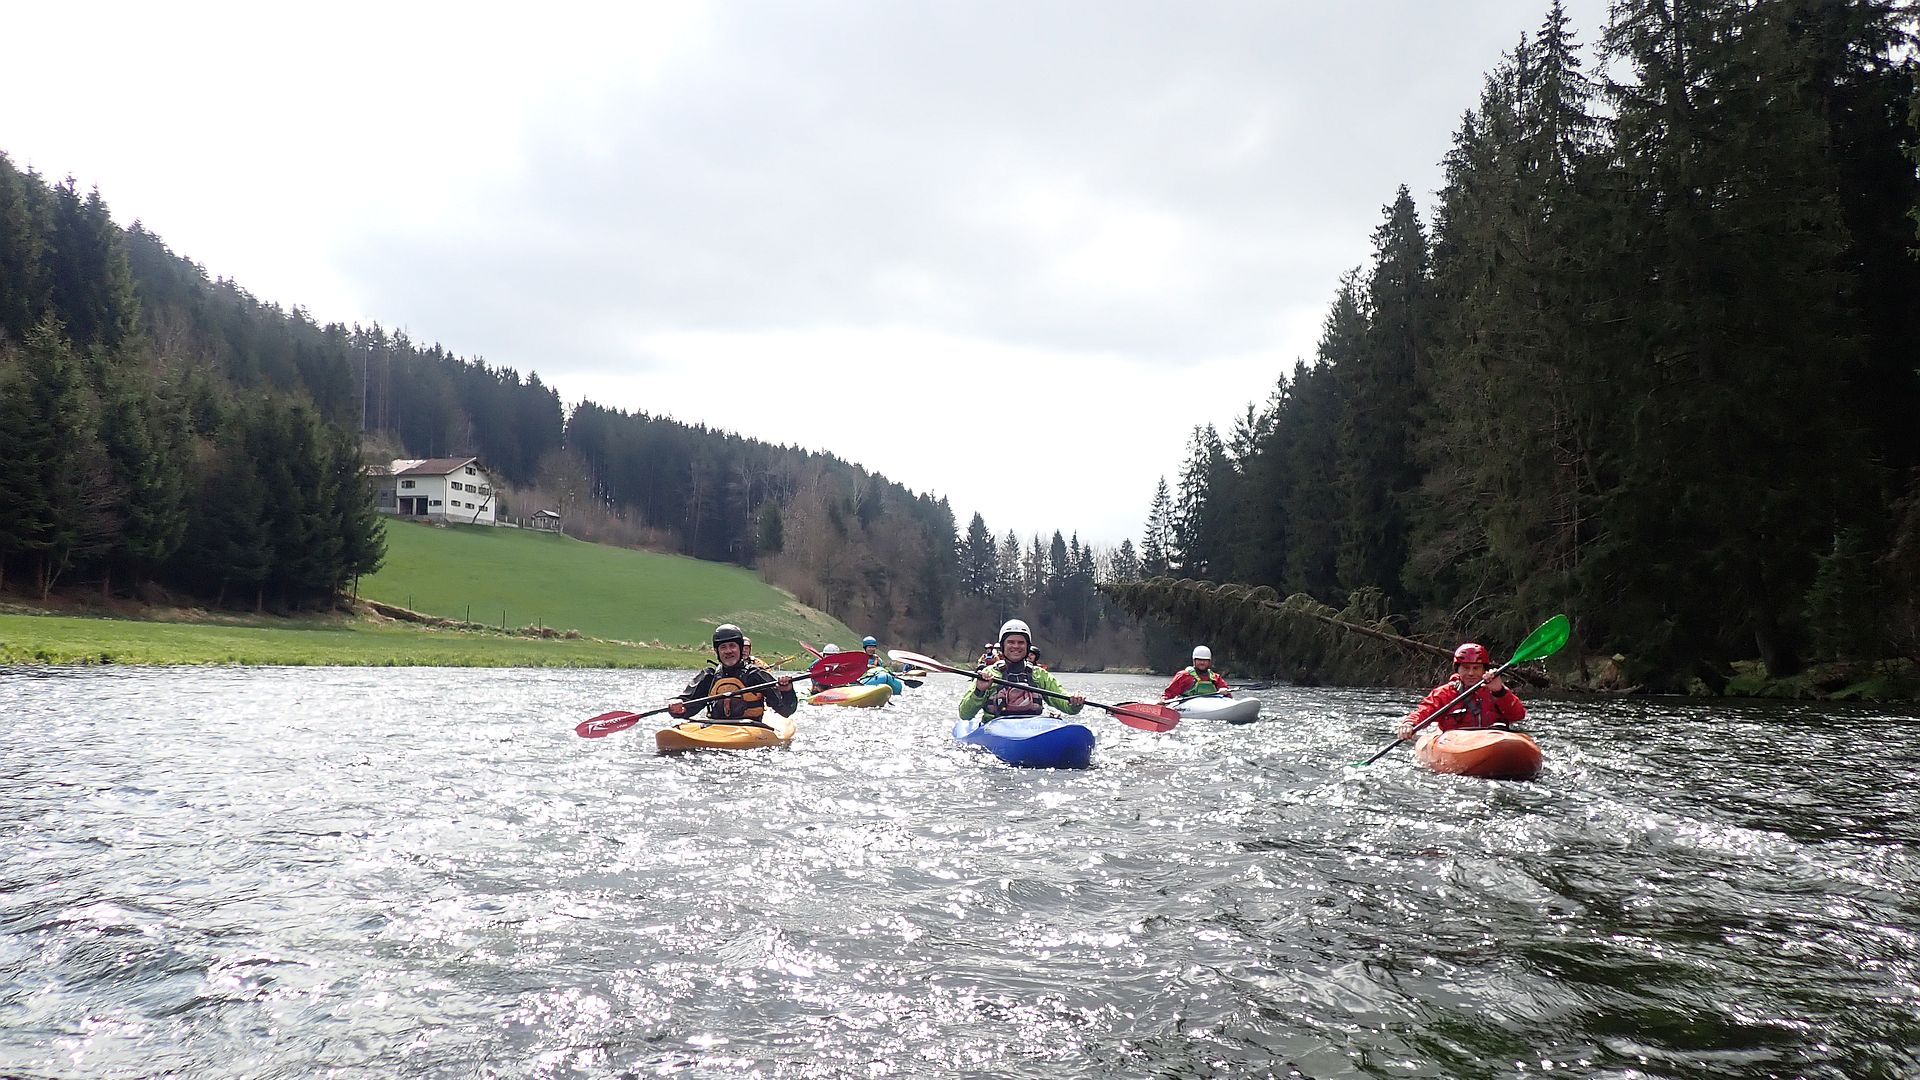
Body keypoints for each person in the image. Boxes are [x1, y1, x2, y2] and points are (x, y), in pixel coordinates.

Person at [669, 623, 798, 724]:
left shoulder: (756, 675)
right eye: (723, 647)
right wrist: (678, 707)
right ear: (717, 652)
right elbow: (687, 705)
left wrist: (787, 691)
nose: (728, 651)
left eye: (732, 646)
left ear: (740, 649)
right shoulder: (709, 676)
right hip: (716, 729)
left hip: (750, 728)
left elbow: (786, 710)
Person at [959, 619, 1084, 722]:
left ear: (1027, 646)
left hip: (1031, 728)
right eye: (1011, 642)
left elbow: (1066, 704)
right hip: (996, 730)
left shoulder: (1039, 675)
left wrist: (1074, 702)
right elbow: (965, 714)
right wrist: (979, 691)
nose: (1016, 646)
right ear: (1002, 646)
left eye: (1021, 642)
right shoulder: (988, 674)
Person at [1396, 642, 1525, 738]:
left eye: (1476, 668)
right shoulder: (1445, 693)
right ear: (1457, 669)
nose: (1471, 673)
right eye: (1466, 668)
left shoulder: (1496, 690)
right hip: (1457, 742)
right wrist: (1409, 723)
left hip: (1493, 739)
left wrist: (1499, 691)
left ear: (1484, 670)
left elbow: (1518, 715)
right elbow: (1424, 711)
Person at [1162, 645, 1231, 700]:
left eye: (1205, 660)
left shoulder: (1215, 677)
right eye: (1199, 660)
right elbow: (1169, 693)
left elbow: (1228, 696)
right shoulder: (1184, 675)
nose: (1202, 663)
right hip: (1187, 705)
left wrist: (1225, 691)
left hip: (1211, 704)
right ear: (1194, 661)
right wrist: (1163, 700)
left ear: (1209, 662)